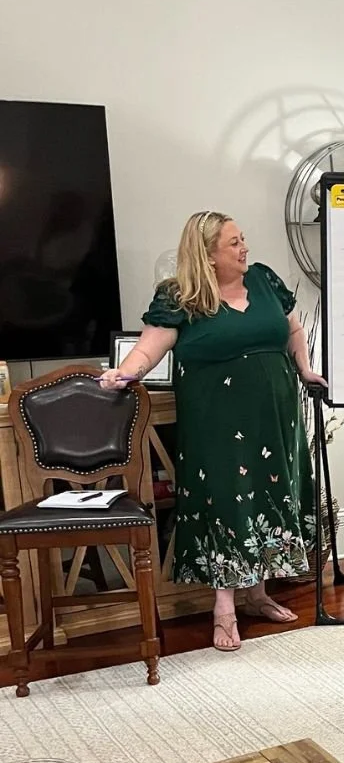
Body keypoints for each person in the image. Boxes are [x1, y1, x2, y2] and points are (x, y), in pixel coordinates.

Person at [100, 211, 326, 652]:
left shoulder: (262, 279)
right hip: (216, 421)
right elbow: (150, 346)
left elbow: (293, 329)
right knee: (225, 499)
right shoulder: (180, 296)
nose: (245, 249)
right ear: (207, 254)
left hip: (274, 416)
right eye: (234, 243)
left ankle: (258, 594)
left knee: (268, 494)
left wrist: (305, 369)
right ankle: (223, 609)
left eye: (243, 240)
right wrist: (123, 373)